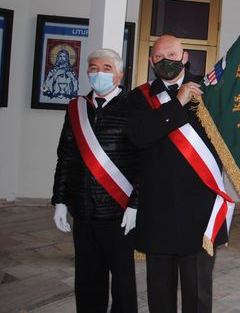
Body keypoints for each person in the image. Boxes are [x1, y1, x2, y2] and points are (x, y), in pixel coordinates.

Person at [127, 34, 233, 313]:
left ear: (185, 57)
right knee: (159, 291)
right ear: (151, 61)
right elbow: (139, 136)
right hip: (157, 209)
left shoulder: (210, 91)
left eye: (172, 56)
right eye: (159, 57)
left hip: (199, 209)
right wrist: (177, 103)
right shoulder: (139, 98)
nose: (166, 62)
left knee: (197, 291)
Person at [51, 48, 139, 313]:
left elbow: (144, 162)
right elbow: (65, 156)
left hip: (118, 211)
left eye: (106, 68)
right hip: (84, 209)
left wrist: (136, 203)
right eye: (93, 67)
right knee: (87, 278)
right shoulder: (77, 108)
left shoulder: (134, 107)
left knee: (123, 282)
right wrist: (60, 201)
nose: (98, 73)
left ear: (120, 74)